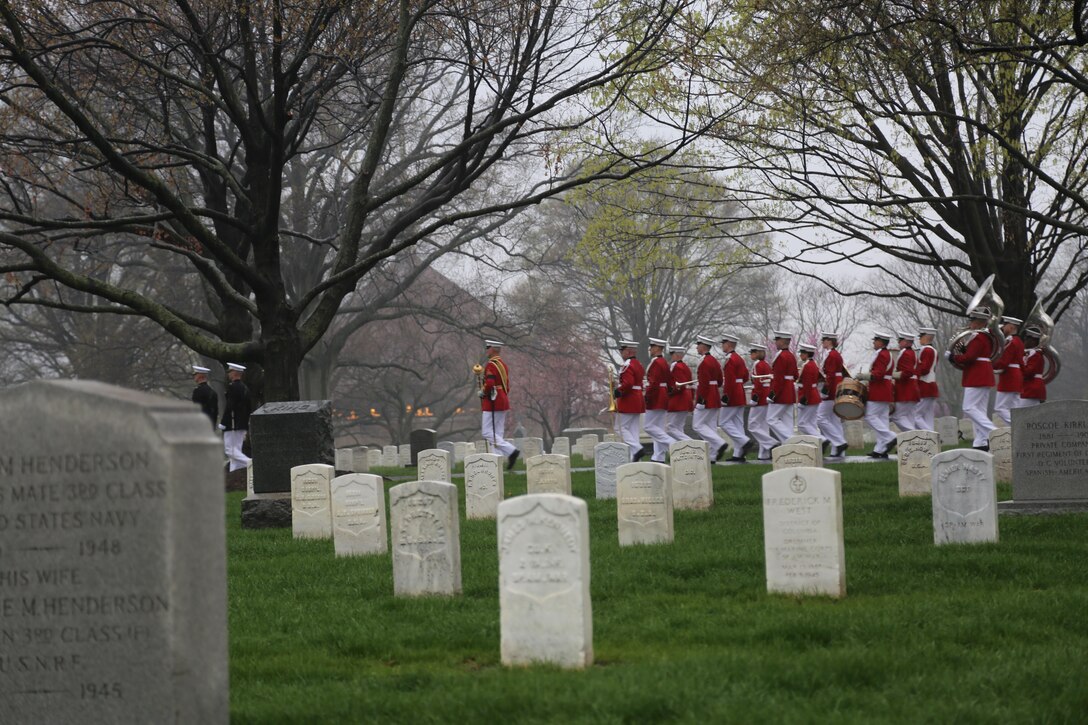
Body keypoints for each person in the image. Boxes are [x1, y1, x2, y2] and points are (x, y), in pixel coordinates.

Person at [947, 309, 996, 450]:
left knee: (968, 407)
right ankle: (981, 442)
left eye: (973, 321)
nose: (970, 324)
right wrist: (962, 350)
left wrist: (953, 357)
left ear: (980, 322)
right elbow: (971, 353)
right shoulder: (983, 336)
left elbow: (969, 357)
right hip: (981, 373)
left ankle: (993, 432)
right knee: (979, 409)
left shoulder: (979, 336)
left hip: (977, 374)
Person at [480, 339, 521, 469]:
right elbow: (506, 385)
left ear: (492, 349)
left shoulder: (491, 365)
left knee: (487, 432)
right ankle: (496, 462)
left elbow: (490, 384)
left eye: (488, 348)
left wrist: (482, 392)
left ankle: (511, 451)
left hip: (493, 400)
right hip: (502, 399)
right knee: (497, 433)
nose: (486, 351)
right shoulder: (503, 364)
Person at [859, 332, 895, 459]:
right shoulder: (887, 354)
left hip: (879, 389)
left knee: (870, 416)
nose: (873, 342)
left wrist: (863, 376)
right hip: (884, 389)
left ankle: (890, 437)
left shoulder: (881, 354)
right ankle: (881, 449)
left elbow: (878, 374)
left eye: (875, 340)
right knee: (882, 419)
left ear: (881, 342)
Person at [718, 333, 752, 462]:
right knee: (738, 424)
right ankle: (739, 454)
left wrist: (726, 395)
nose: (722, 345)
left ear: (729, 344)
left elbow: (730, 380)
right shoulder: (739, 358)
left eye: (724, 343)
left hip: (732, 393)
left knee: (723, 422)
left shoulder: (730, 359)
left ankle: (744, 441)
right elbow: (745, 377)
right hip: (739, 391)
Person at [692, 335, 727, 461]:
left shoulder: (703, 361)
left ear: (703, 346)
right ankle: (712, 455)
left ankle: (719, 443)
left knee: (697, 425)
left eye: (698, 345)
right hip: (714, 395)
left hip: (706, 396)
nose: (696, 347)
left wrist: (701, 399)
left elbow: (704, 383)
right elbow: (719, 381)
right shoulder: (714, 361)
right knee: (710, 426)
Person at [643, 337, 677, 463]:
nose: (650, 349)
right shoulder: (663, 362)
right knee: (658, 428)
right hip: (662, 394)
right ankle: (659, 456)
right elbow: (670, 381)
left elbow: (653, 382)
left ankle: (672, 444)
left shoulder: (656, 362)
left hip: (656, 395)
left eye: (652, 347)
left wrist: (647, 396)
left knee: (648, 426)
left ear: (657, 348)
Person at [816, 332, 848, 458]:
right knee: (835, 420)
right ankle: (838, 450)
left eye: (824, 340)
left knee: (820, 418)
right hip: (836, 389)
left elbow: (830, 375)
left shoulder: (832, 355)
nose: (822, 342)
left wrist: (825, 390)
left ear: (829, 341)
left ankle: (839, 443)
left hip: (831, 391)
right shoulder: (835, 355)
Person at [614, 339, 647, 461]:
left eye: (622, 351)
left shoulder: (627, 365)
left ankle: (637, 449)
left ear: (628, 352)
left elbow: (628, 383)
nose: (621, 353)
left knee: (620, 428)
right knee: (633, 430)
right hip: (637, 399)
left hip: (629, 399)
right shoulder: (639, 364)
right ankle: (635, 458)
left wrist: (618, 390)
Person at [220, 363, 252, 472]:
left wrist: (224, 421)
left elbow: (230, 406)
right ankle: (234, 472)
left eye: (230, 372)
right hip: (241, 423)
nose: (228, 374)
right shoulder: (245, 387)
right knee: (236, 451)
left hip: (233, 423)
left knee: (230, 450)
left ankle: (251, 463)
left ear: (234, 373)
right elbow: (248, 407)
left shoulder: (233, 387)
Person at [992, 316, 1025, 425]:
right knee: (1014, 408)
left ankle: (1018, 427)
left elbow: (1004, 361)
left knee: (1000, 407)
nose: (1002, 328)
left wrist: (990, 364)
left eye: (1005, 326)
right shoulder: (1019, 341)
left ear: (1010, 327)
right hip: (1017, 375)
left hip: (1009, 376)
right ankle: (1016, 432)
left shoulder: (1011, 341)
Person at [747, 342, 776, 461]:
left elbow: (758, 383)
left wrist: (755, 398)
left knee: (752, 425)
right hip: (766, 396)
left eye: (753, 353)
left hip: (760, 398)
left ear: (757, 353)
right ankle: (763, 454)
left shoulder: (758, 364)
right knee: (763, 426)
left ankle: (771, 443)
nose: (751, 355)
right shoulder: (766, 364)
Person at [767, 331, 797, 444]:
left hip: (782, 391)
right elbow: (795, 375)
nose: (776, 342)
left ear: (783, 341)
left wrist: (773, 393)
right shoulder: (791, 356)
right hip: (790, 390)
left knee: (771, 419)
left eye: (777, 340)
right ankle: (788, 446)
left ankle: (793, 441)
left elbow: (778, 378)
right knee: (787, 421)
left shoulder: (781, 356)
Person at [890, 331, 921, 432]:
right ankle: (913, 443)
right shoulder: (911, 352)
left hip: (906, 390)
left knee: (897, 416)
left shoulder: (906, 353)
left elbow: (907, 372)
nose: (899, 343)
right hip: (911, 389)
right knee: (909, 417)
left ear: (907, 342)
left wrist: (893, 375)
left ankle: (915, 436)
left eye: (901, 341)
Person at [666, 344, 693, 442]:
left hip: (678, 400)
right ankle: (684, 451)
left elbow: (678, 385)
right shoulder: (685, 366)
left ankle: (692, 443)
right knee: (679, 428)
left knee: (670, 428)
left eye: (672, 354)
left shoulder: (676, 366)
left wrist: (668, 392)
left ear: (676, 355)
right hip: (685, 399)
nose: (671, 356)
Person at [916, 326, 940, 431]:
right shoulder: (934, 350)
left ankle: (933, 436)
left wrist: (914, 372)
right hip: (932, 385)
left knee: (915, 416)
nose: (919, 339)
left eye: (921, 336)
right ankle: (932, 440)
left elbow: (924, 369)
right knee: (928, 416)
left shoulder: (926, 350)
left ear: (926, 337)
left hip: (924, 385)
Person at [796, 343, 822, 438]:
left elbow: (807, 384)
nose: (800, 355)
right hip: (814, 396)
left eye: (802, 353)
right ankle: (818, 442)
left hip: (808, 397)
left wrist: (804, 399)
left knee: (802, 424)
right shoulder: (813, 364)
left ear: (807, 354)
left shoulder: (807, 366)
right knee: (811, 423)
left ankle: (821, 439)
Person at [1020, 325, 1047, 407]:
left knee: (1019, 413)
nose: (1024, 341)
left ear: (1033, 341)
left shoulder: (1035, 354)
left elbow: (1029, 372)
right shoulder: (1029, 353)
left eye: (1026, 339)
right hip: (1029, 388)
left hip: (1032, 388)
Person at [191, 364, 218, 429]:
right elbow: (215, 411)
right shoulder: (212, 392)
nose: (194, 376)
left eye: (195, 374)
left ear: (200, 376)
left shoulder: (198, 391)